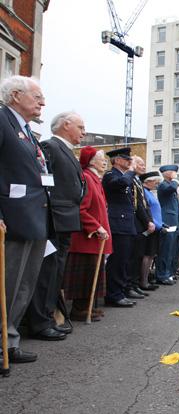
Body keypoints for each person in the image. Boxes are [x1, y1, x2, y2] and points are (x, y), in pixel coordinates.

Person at [0, 75, 48, 363]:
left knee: (24, 285)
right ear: (16, 95)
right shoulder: (3, 120)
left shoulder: (27, 131)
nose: (43, 102)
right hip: (12, 219)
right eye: (37, 96)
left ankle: (9, 340)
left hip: (34, 217)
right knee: (6, 284)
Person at [27, 111, 86, 340]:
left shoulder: (67, 150)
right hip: (54, 217)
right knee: (47, 272)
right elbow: (44, 181)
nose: (84, 132)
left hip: (66, 218)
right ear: (66, 125)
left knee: (56, 272)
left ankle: (48, 316)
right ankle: (39, 321)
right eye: (80, 127)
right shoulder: (50, 146)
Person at [63, 146, 112, 322]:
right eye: (101, 158)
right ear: (91, 161)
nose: (105, 161)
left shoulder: (96, 180)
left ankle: (89, 307)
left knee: (93, 275)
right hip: (87, 238)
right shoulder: (87, 178)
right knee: (84, 276)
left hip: (95, 239)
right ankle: (80, 308)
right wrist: (95, 226)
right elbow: (81, 208)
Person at [102, 147, 139, 307]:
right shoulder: (111, 175)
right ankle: (114, 295)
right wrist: (131, 171)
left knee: (124, 260)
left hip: (126, 223)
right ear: (117, 160)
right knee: (117, 261)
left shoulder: (123, 176)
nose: (130, 162)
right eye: (127, 159)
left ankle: (120, 291)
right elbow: (122, 183)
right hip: (118, 223)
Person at [126, 155, 154, 299]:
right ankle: (130, 285)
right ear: (133, 164)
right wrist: (147, 221)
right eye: (140, 164)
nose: (144, 167)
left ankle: (135, 284)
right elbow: (138, 206)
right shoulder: (131, 179)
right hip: (135, 223)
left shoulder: (137, 181)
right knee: (133, 257)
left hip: (142, 224)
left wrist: (149, 220)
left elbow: (145, 205)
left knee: (138, 256)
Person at [156, 165, 179, 285]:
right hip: (167, 220)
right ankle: (162, 274)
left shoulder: (170, 186)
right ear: (165, 173)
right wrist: (176, 180)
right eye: (172, 172)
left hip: (173, 221)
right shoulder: (163, 185)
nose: (174, 174)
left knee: (171, 249)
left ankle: (169, 272)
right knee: (165, 249)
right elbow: (170, 189)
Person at [139, 171, 162, 291]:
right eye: (155, 181)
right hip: (150, 228)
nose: (156, 183)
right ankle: (143, 281)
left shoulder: (151, 193)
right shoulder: (145, 192)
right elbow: (146, 210)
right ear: (147, 181)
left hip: (156, 227)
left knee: (151, 255)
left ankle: (146, 279)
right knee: (147, 255)